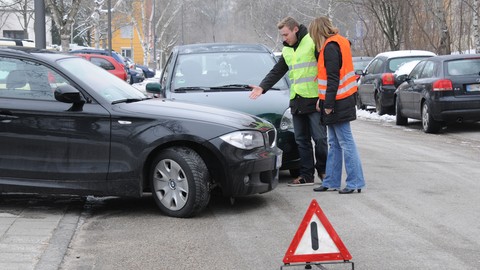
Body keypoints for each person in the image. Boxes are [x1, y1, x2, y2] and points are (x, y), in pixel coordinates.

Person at [249, 16, 327, 186]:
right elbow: (277, 71)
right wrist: (262, 87)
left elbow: (326, 66)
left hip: (314, 100)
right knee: (301, 140)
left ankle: (324, 170)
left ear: (295, 30)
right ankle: (306, 175)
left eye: (286, 35)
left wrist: (324, 95)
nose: (284, 39)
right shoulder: (287, 50)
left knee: (320, 139)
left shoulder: (312, 41)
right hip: (297, 100)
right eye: (282, 36)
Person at [308, 16, 366, 194]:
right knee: (335, 142)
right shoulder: (338, 43)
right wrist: (323, 99)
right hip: (340, 99)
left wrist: (328, 103)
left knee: (345, 142)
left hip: (338, 101)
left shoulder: (331, 47)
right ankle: (331, 181)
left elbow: (333, 78)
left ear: (318, 31)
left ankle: (354, 182)